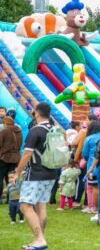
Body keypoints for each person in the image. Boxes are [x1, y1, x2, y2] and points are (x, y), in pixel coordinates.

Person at [15, 102, 57, 249]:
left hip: (35, 173)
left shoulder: (35, 130)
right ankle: (40, 239)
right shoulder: (54, 129)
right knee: (41, 206)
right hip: (51, 172)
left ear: (37, 113)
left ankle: (39, 239)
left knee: (25, 206)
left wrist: (17, 172)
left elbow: (27, 153)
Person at [81, 121, 100, 214]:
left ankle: (93, 207)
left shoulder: (89, 138)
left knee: (91, 187)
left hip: (92, 165)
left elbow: (85, 153)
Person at [0, 116, 22, 203]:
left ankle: (0, 199)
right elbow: (20, 145)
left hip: (3, 158)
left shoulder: (3, 131)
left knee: (0, 178)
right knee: (12, 179)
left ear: (5, 123)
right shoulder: (19, 131)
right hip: (15, 158)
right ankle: (13, 198)